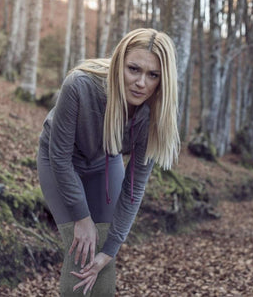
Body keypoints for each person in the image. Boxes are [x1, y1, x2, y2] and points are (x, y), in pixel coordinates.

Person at [37, 28, 180, 296]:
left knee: (101, 256)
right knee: (80, 249)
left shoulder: (155, 114)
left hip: (105, 161)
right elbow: (59, 157)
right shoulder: (79, 86)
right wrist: (82, 217)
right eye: (133, 69)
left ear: (163, 80)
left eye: (153, 75)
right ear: (118, 64)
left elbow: (134, 188)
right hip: (59, 159)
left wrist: (111, 249)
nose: (141, 83)